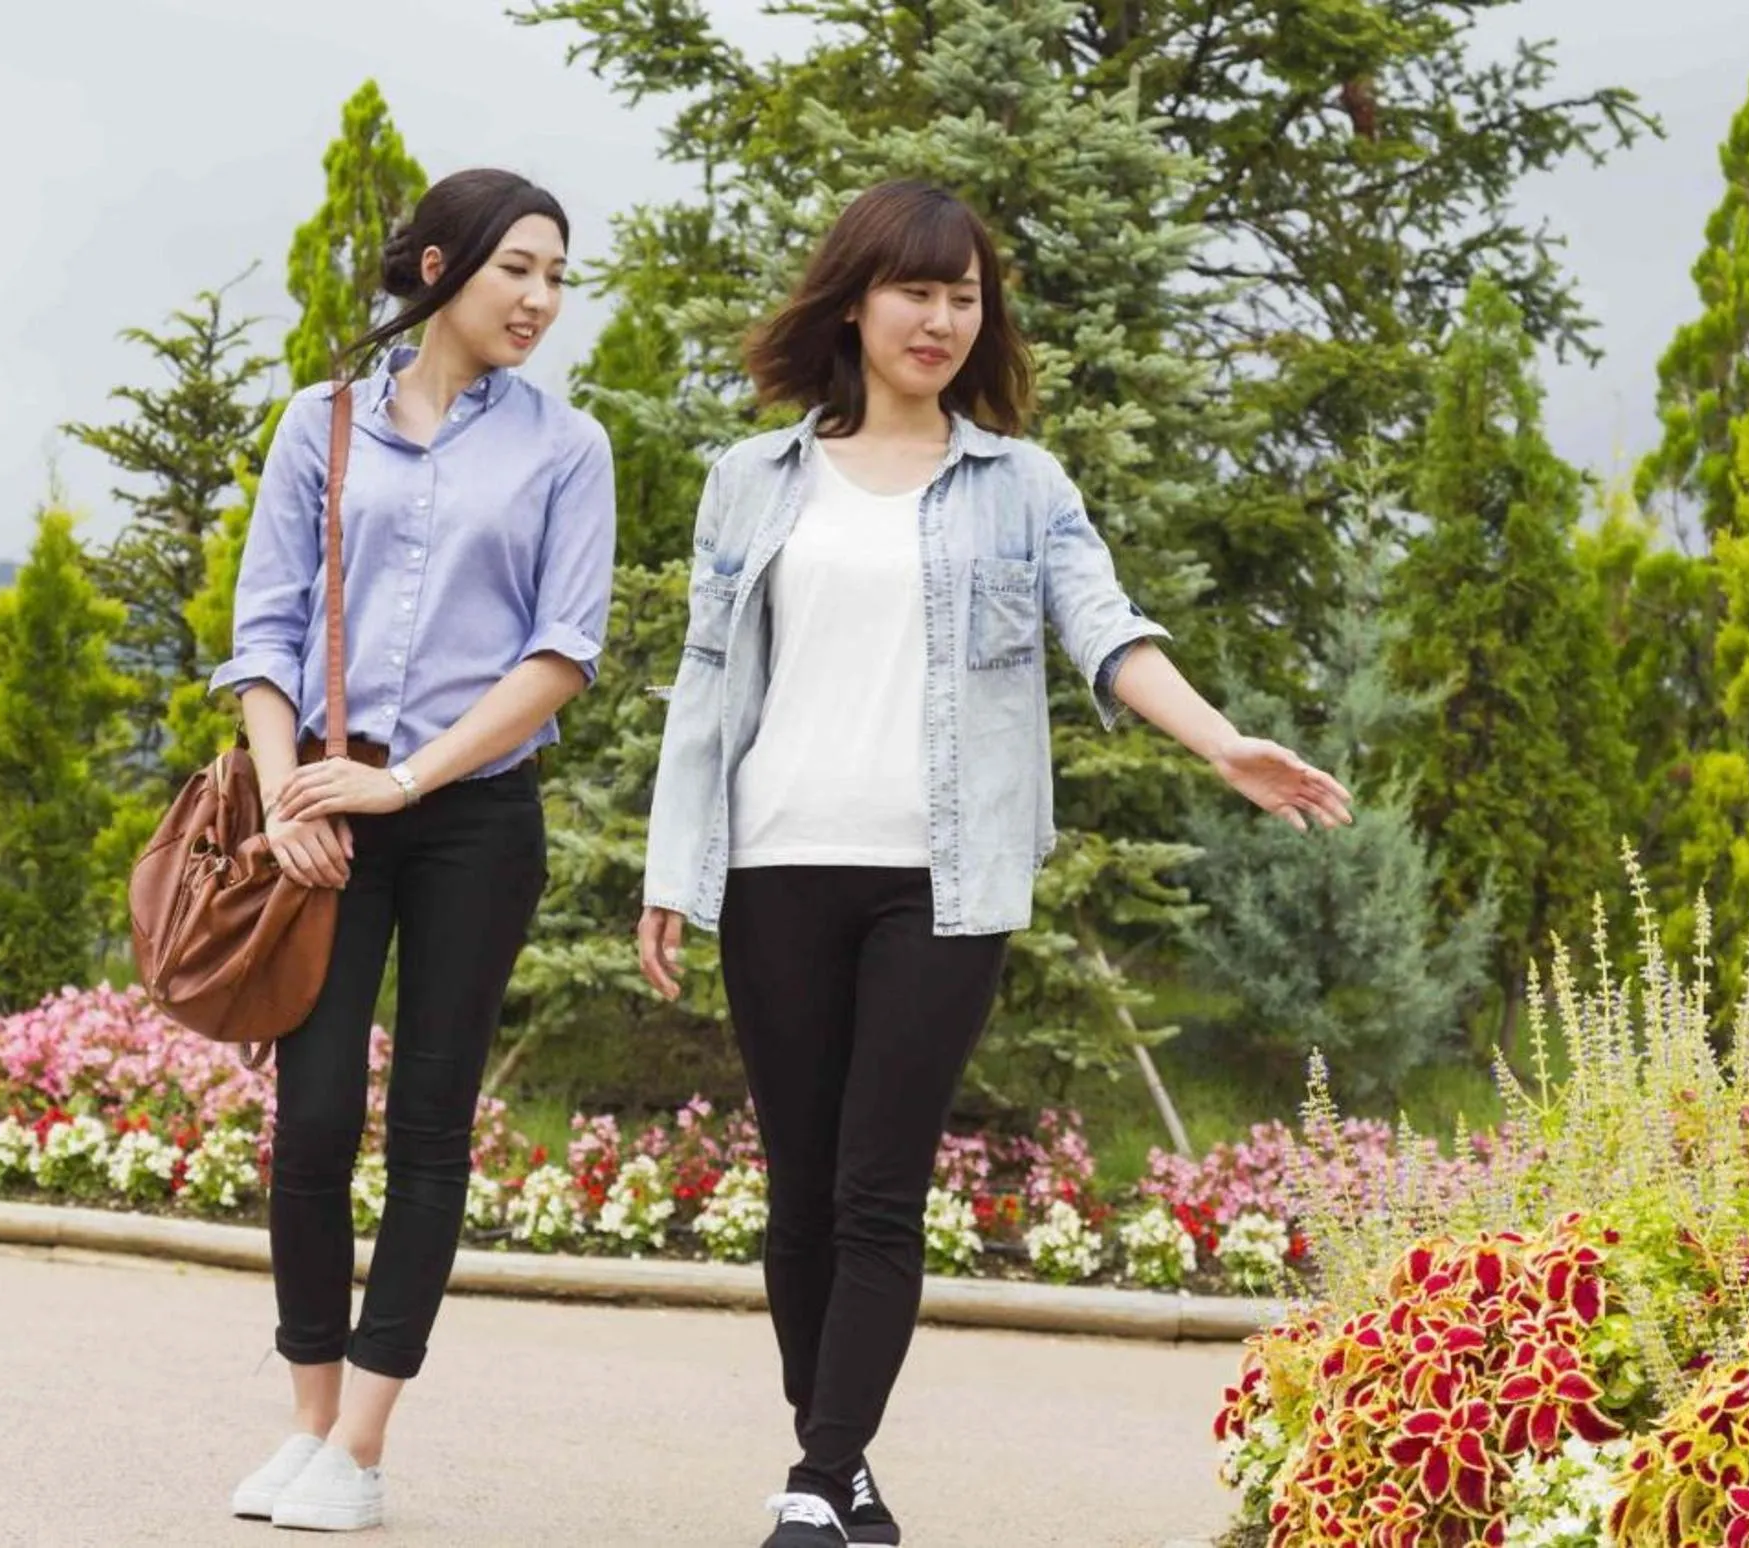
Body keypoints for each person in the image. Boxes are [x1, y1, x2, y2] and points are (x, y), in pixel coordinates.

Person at [637, 179, 1352, 1548]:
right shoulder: (753, 479)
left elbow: (1107, 628)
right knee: (798, 1190)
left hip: (941, 883)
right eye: (916, 289)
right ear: (854, 298)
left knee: (875, 1183)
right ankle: (835, 1470)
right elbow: (705, 688)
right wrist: (678, 867)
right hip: (780, 861)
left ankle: (813, 1474)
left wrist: (1219, 743)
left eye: (965, 295)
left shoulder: (1018, 486)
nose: (942, 318)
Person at [212, 168, 617, 1533]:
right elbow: (263, 635)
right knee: (313, 1118)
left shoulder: (568, 449)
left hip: (474, 820)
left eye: (558, 276)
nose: (542, 300)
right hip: (327, 805)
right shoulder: (318, 427)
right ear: (440, 267)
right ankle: (310, 1423)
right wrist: (288, 798)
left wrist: (416, 785)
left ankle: (365, 1449)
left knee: (430, 1127)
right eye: (519, 269)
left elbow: (563, 651)